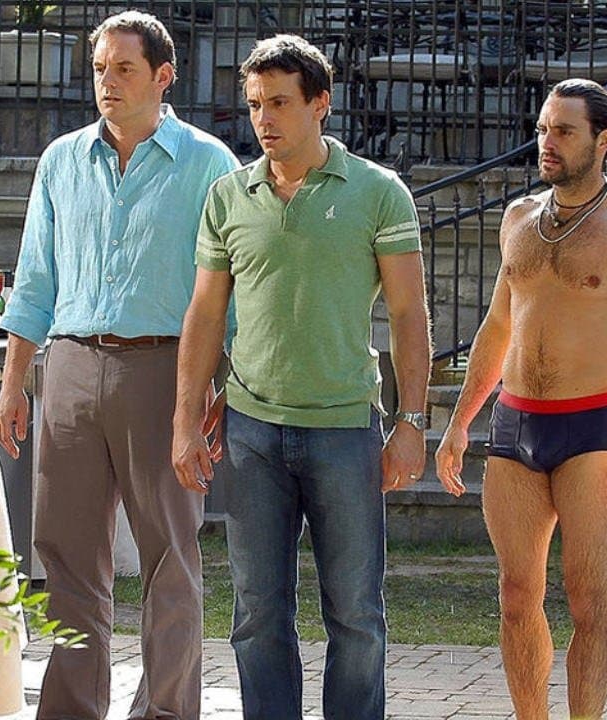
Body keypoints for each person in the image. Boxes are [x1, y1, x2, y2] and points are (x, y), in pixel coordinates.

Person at [170, 34, 431, 720]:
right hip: (250, 430)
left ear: (321, 104)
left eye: (280, 102)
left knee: (356, 614)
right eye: (256, 104)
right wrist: (185, 419)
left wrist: (412, 421)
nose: (264, 118)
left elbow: (409, 313)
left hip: (345, 428)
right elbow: (205, 314)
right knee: (256, 614)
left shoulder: (379, 193)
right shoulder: (229, 196)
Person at [0, 11, 239, 720]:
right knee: (66, 556)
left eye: (124, 68)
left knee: (169, 559)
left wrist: (222, 388)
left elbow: (232, 290)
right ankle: (71, 709)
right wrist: (15, 383)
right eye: (100, 68)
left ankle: (165, 712)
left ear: (163, 77)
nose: (107, 81)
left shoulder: (209, 165)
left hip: (165, 372)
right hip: (69, 367)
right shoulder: (61, 160)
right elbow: (34, 279)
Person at [433, 78, 607, 720]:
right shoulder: (519, 218)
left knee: (586, 598)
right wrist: (460, 422)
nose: (547, 142)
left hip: (591, 426)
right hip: (514, 423)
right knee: (517, 595)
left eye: (564, 131)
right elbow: (498, 325)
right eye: (544, 128)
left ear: (605, 141)